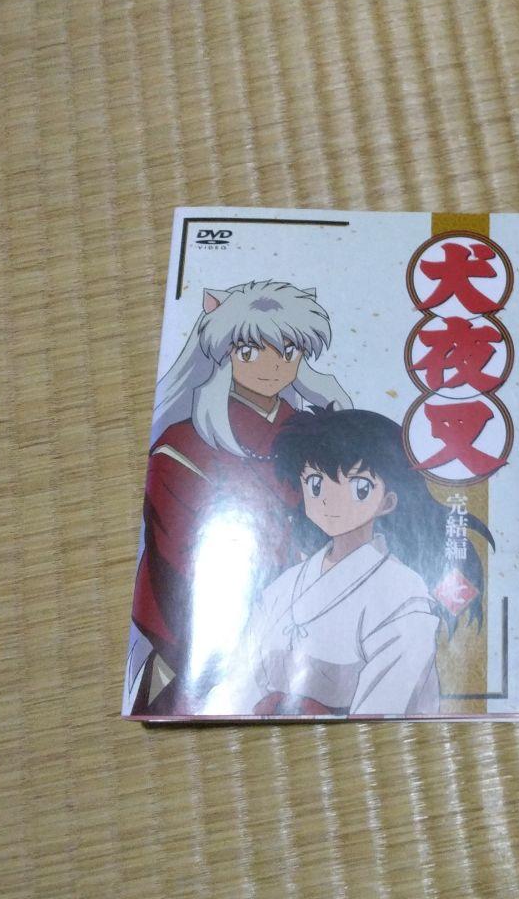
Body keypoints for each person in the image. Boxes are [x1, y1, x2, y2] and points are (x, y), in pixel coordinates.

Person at [126, 281, 352, 715]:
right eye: (250, 351)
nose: (272, 365)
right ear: (226, 352)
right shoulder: (182, 446)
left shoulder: (313, 434)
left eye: (288, 351)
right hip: (216, 635)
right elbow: (182, 558)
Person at [202, 406, 489, 717]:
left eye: (358, 487)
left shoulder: (404, 592)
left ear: (388, 501)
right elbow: (238, 680)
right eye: (316, 483)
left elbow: (385, 708)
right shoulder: (284, 586)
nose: (330, 499)